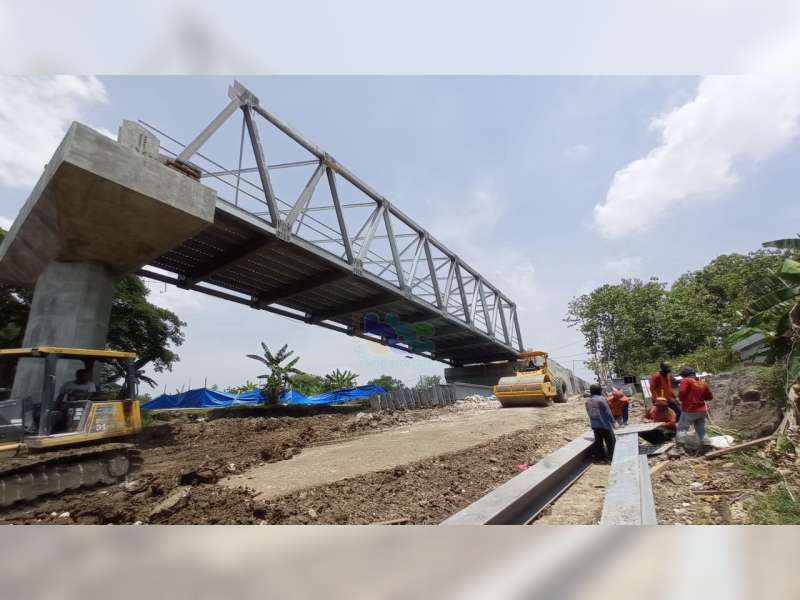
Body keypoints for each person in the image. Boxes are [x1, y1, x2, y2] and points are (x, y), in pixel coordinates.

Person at [677, 367, 713, 447]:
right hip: (702, 411)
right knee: (701, 429)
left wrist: (682, 399)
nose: (682, 378)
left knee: (682, 428)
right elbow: (710, 397)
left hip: (689, 409)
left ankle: (679, 448)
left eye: (682, 376)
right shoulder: (702, 383)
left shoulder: (686, 380)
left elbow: (682, 393)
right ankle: (706, 443)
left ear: (685, 375)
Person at [585, 383, 615, 462]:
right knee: (610, 441)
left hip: (595, 426)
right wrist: (613, 421)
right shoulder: (602, 399)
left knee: (599, 442)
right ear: (600, 391)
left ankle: (601, 458)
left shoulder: (587, 401)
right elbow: (608, 412)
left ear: (591, 392)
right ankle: (612, 457)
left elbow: (589, 413)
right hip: (604, 425)